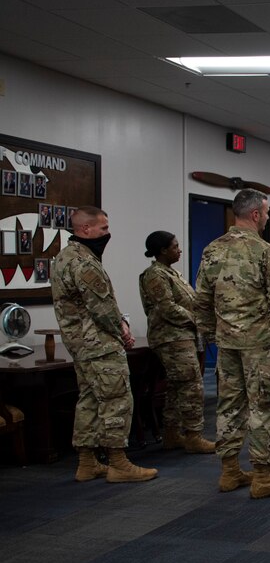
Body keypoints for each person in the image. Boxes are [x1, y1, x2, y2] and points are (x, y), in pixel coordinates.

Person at [194, 189, 270, 499]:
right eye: (265, 213)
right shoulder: (265, 252)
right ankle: (263, 476)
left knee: (229, 404)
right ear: (255, 215)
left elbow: (201, 300)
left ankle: (229, 470)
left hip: (227, 344)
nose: (266, 217)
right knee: (264, 406)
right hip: (261, 345)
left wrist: (213, 334)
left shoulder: (212, 249)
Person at [52, 206, 157, 483]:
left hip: (80, 345)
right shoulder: (84, 263)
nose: (107, 234)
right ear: (85, 229)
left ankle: (87, 463)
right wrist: (122, 330)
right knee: (116, 399)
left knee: (88, 400)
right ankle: (118, 463)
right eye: (103, 229)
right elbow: (103, 309)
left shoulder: (64, 258)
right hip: (99, 344)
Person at [139, 231, 214, 455]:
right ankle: (193, 435)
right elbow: (167, 308)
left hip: (183, 336)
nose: (179, 250)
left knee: (176, 387)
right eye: (175, 246)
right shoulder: (155, 275)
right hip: (171, 338)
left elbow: (189, 301)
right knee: (192, 386)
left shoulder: (172, 273)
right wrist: (197, 320)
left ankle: (172, 434)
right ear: (162, 250)